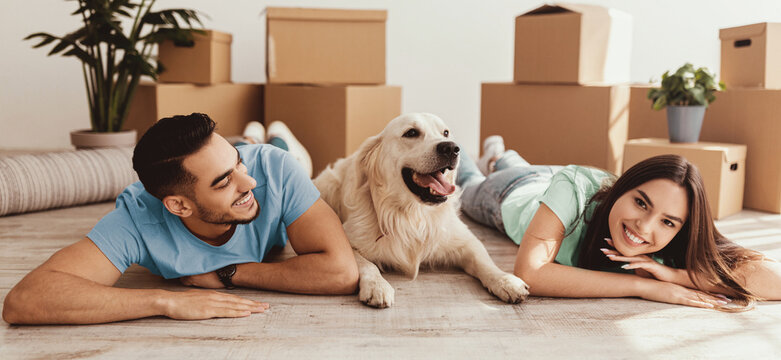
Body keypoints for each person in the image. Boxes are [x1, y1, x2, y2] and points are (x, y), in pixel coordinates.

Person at [2, 113, 358, 325]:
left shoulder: (271, 170)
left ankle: (263, 138)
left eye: (237, 163)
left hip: (281, 157)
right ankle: (248, 139)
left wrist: (229, 274)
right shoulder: (138, 219)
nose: (250, 183)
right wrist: (165, 301)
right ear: (178, 206)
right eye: (223, 182)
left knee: (284, 156)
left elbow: (341, 272)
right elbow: (25, 300)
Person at [457, 136, 781, 310]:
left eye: (668, 222)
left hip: (549, 180)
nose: (644, 227)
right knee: (468, 181)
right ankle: (492, 156)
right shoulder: (578, 185)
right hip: (510, 194)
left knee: (515, 164)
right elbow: (531, 273)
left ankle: (502, 152)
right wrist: (645, 286)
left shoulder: (668, 247)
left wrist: (675, 275)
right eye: (641, 202)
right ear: (619, 189)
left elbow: (774, 280)